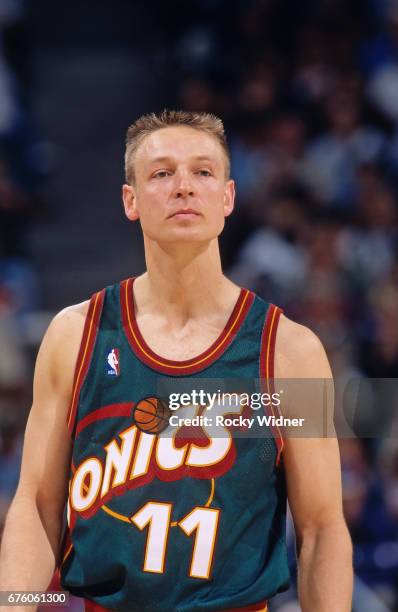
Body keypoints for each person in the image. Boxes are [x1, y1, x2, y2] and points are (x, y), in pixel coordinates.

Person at [0, 110, 353, 611]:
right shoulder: (75, 335)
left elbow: (321, 528)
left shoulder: (288, 350)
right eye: (162, 173)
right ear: (131, 201)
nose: (183, 187)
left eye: (203, 172)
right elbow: (36, 507)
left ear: (228, 197)